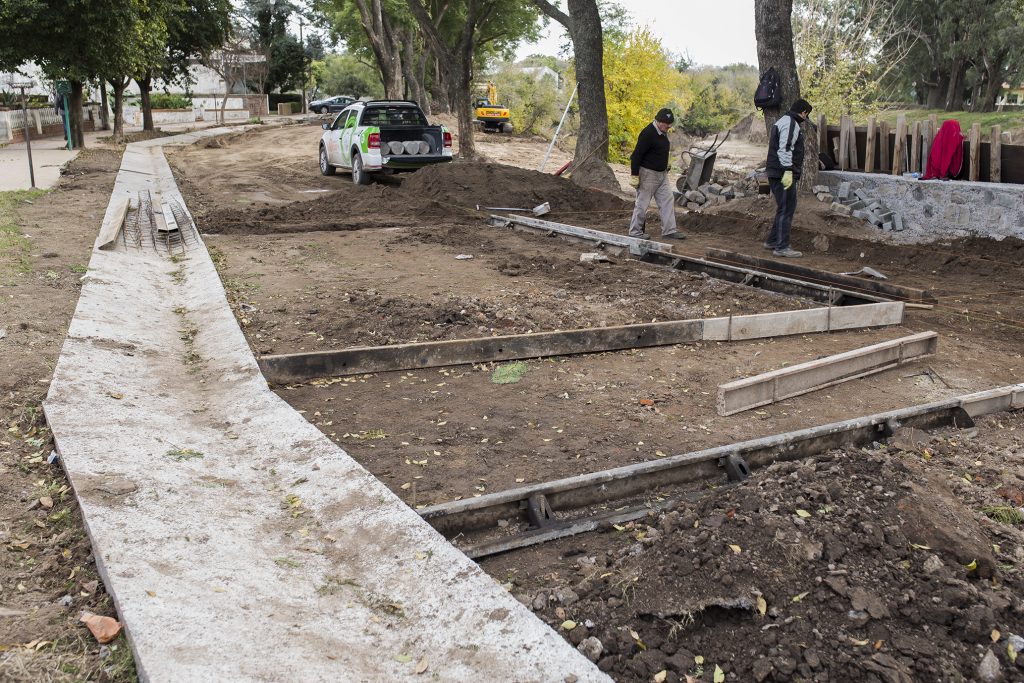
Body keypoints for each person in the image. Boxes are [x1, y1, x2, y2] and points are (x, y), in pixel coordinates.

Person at [764, 98, 813, 258]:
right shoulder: (791, 124)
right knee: (787, 208)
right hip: (782, 173)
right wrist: (788, 171)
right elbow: (784, 149)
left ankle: (772, 241)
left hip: (776, 171)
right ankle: (782, 247)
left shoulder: (783, 121)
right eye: (807, 115)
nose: (806, 118)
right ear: (803, 112)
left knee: (783, 207)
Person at [629, 108, 685, 240]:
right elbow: (636, 155)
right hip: (648, 175)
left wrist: (665, 165)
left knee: (667, 200)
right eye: (667, 123)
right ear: (659, 121)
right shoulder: (648, 133)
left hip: (662, 174)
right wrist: (634, 175)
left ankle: (669, 231)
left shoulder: (663, 132)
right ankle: (635, 232)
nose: (669, 126)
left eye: (670, 123)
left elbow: (659, 151)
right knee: (642, 204)